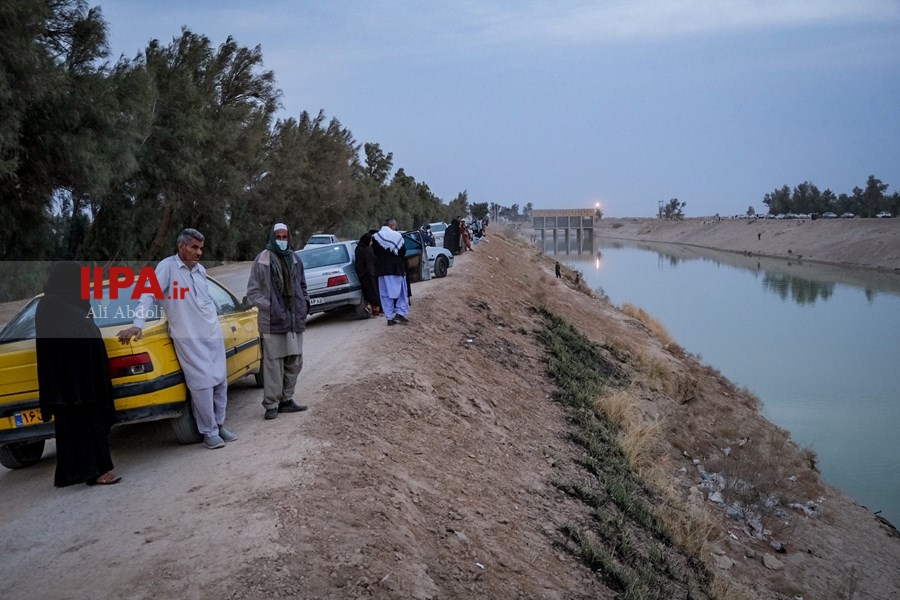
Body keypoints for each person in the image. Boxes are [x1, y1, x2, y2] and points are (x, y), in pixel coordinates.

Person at [117, 228, 235, 449]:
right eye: (194, 247)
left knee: (220, 381)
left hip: (212, 334)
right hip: (189, 338)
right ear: (181, 247)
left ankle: (219, 425)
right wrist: (137, 324)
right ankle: (209, 432)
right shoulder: (167, 267)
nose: (199, 252)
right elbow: (148, 294)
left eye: (201, 248)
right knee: (202, 386)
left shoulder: (199, 270)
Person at [35, 261, 121, 486]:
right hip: (77, 379)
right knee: (88, 424)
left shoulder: (52, 303)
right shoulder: (59, 304)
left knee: (68, 427)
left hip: (66, 379)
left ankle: (68, 475)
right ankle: (98, 472)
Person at [247, 223, 311, 420]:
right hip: (272, 321)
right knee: (273, 365)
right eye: (279, 237)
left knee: (295, 361)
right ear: (272, 238)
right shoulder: (262, 260)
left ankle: (286, 400)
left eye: (285, 237)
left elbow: (302, 285)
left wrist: (304, 304)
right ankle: (272, 404)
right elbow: (252, 292)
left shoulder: (295, 258)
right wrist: (271, 306)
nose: (282, 240)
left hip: (294, 319)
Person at [372, 218, 410, 326]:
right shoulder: (397, 236)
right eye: (395, 225)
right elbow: (402, 252)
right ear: (392, 225)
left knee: (385, 295)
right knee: (402, 292)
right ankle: (400, 313)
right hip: (395, 268)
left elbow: (375, 252)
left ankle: (389, 318)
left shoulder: (375, 237)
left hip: (381, 270)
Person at [354, 231, 381, 316]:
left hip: (369, 274)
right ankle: (374, 309)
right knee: (371, 293)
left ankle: (375, 310)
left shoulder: (364, 248)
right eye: (370, 240)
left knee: (372, 292)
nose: (371, 242)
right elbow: (362, 263)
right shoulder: (361, 249)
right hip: (366, 275)